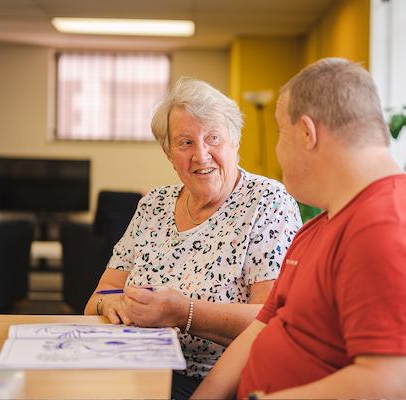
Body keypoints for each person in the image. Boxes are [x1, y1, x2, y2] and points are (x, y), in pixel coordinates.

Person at [192, 58, 406, 399]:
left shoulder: (390, 232)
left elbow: (395, 388)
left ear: (306, 133)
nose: (277, 151)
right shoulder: (324, 225)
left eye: (281, 134)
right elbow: (262, 327)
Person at [84, 77, 302, 399]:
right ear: (169, 153)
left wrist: (183, 313)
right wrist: (112, 303)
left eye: (213, 138)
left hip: (218, 382)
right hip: (136, 367)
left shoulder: (267, 201)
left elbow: (272, 320)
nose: (201, 155)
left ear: (235, 142)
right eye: (185, 142)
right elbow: (97, 298)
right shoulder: (154, 204)